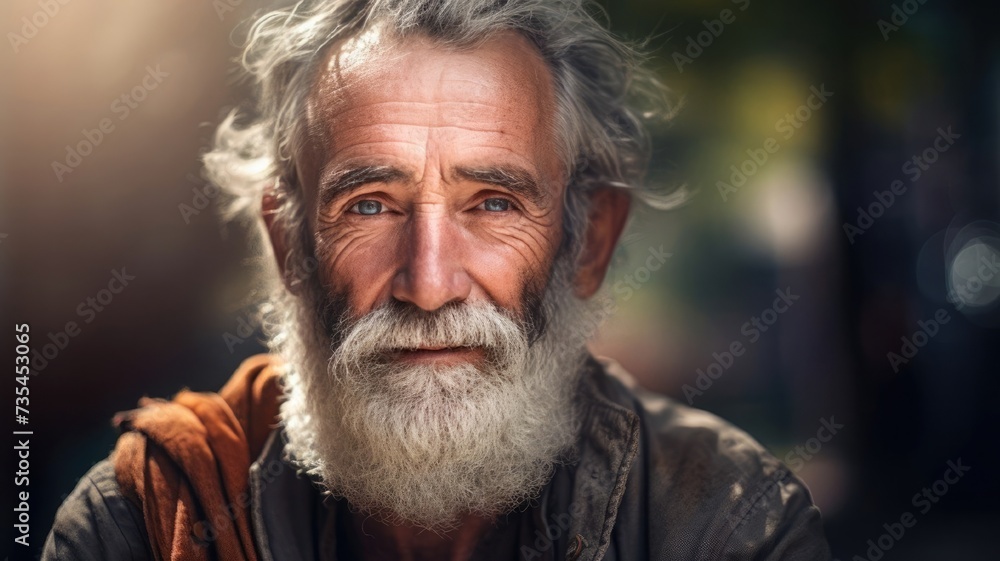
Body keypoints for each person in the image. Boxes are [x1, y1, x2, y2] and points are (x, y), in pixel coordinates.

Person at [43, 0, 832, 559]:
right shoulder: (137, 524)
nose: (428, 282)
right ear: (289, 246)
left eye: (492, 202)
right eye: (370, 204)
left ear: (588, 242)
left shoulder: (727, 526)